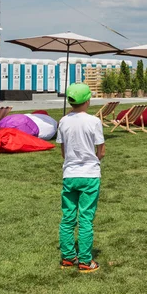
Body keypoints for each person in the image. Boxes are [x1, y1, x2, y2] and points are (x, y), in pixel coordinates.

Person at [56, 83, 105, 272]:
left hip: (70, 174)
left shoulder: (63, 121)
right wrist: (96, 158)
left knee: (68, 217)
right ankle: (85, 260)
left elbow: (63, 150)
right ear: (87, 100)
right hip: (90, 175)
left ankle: (68, 257)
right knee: (86, 218)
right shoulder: (93, 121)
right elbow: (100, 149)